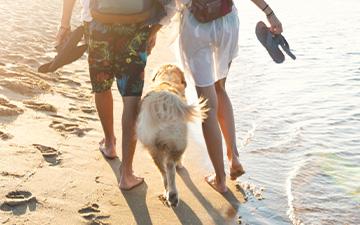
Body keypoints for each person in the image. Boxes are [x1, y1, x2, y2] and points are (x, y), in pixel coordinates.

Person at [171, 0, 283, 193]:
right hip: (227, 24)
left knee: (207, 103)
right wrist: (269, 13)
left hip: (197, 26)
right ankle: (233, 158)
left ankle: (220, 180)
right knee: (220, 88)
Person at [56, 0, 166, 190]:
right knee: (131, 99)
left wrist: (64, 25)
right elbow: (171, 4)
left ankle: (109, 143)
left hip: (97, 24)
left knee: (102, 84)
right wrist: (155, 28)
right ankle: (127, 174)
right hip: (137, 27)